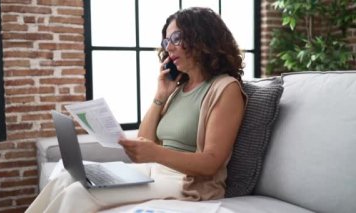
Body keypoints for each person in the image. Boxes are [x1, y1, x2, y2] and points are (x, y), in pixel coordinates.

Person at [26, 7, 247, 213]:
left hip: (187, 183)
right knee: (66, 179)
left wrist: (156, 153)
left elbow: (211, 163)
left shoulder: (225, 88)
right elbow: (144, 140)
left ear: (202, 38)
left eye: (177, 38)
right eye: (166, 41)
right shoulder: (179, 88)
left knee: (79, 192)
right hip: (154, 171)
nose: (168, 47)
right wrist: (160, 96)